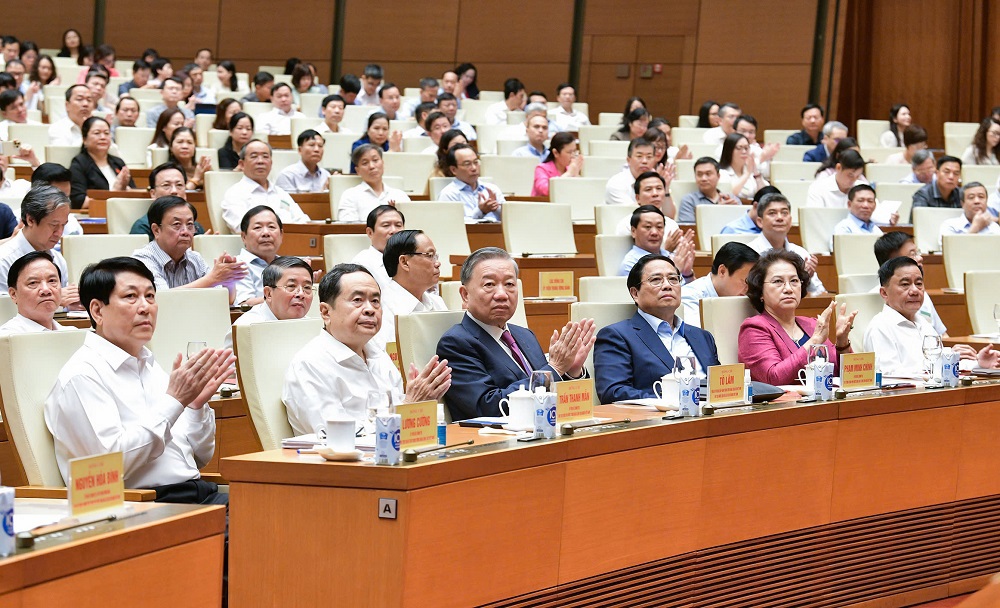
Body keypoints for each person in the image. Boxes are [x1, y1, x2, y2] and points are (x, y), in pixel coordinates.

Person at [45, 256, 234, 503]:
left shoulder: (150, 367)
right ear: (97, 310)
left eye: (150, 296)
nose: (145, 307)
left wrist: (195, 407)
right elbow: (110, 466)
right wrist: (175, 401)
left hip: (197, 492)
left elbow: (200, 457)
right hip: (145, 506)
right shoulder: (83, 376)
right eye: (131, 297)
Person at [282, 263, 452, 435]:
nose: (370, 309)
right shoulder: (309, 365)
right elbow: (337, 437)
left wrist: (419, 407)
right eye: (357, 300)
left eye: (375, 301)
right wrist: (410, 407)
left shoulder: (379, 356)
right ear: (326, 312)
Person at [436, 248, 595, 420]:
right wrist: (554, 369)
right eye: (489, 284)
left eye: (509, 284)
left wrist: (571, 372)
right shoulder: (456, 343)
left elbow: (553, 396)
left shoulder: (525, 335)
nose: (502, 294)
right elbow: (488, 407)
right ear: (465, 295)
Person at [595, 253, 722, 403]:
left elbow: (718, 386)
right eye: (656, 280)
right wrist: (673, 401)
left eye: (673, 279)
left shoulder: (702, 336)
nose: (667, 285)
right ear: (635, 293)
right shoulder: (617, 336)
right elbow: (614, 393)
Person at [864, 256, 998, 377]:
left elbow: (939, 368)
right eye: (905, 284)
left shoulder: (924, 323)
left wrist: (978, 364)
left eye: (919, 283)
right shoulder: (880, 327)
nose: (915, 291)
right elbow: (891, 376)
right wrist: (945, 359)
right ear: (884, 293)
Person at [738, 249, 855, 384]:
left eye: (794, 280)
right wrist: (814, 341)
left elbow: (841, 374)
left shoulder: (811, 324)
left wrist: (842, 343)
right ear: (760, 292)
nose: (788, 288)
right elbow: (773, 378)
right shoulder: (754, 328)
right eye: (777, 281)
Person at [132, 196, 246, 302]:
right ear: (156, 230)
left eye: (190, 224)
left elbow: (226, 301)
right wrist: (213, 279)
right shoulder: (142, 259)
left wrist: (228, 280)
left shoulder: (195, 258)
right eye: (177, 224)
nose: (185, 232)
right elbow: (160, 298)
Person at [0, 186, 75, 306]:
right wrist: (55, 300)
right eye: (54, 225)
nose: (59, 233)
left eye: (63, 225)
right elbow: (5, 312)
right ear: (30, 220)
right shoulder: (3, 260)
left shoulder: (58, 259)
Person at [373, 229, 447, 347]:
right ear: (405, 262)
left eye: (436, 256)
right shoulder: (380, 309)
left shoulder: (437, 302)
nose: (437, 263)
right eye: (430, 255)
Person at [224, 256, 313, 350]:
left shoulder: (312, 327)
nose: (301, 294)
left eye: (307, 287)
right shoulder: (247, 328)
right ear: (268, 293)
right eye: (291, 286)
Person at [221, 139, 310, 232]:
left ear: (271, 163)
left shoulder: (280, 192)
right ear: (242, 164)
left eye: (265, 156)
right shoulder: (235, 194)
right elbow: (242, 229)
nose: (260, 161)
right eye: (254, 156)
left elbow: (303, 221)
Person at [748, 193, 826, 294]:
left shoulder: (801, 253)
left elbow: (820, 293)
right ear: (760, 221)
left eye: (784, 213)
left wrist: (807, 278)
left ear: (790, 220)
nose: (780, 218)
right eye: (772, 213)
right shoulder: (750, 253)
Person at [873, 231, 948, 336]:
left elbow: (942, 335)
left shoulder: (920, 293)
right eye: (913, 254)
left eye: (918, 252)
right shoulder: (876, 299)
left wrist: (952, 351)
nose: (920, 258)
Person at [680, 242, 760, 327]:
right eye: (746, 282)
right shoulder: (690, 296)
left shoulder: (749, 298)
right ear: (722, 271)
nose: (749, 289)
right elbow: (697, 337)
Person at [69, 117, 134, 209]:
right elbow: (79, 202)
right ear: (84, 139)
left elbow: (134, 193)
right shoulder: (79, 164)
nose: (103, 137)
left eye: (106, 133)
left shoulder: (118, 162)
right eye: (97, 133)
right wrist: (114, 192)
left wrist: (126, 189)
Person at [129, 163, 207, 239]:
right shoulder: (142, 227)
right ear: (153, 193)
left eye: (179, 185)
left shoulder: (196, 227)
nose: (174, 191)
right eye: (166, 185)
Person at [338, 144, 410, 221]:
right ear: (357, 170)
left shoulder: (399, 195)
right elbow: (348, 228)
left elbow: (412, 224)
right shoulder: (350, 195)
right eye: (365, 163)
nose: (372, 166)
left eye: (375, 160)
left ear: (382, 163)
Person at [618, 204, 693, 277]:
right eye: (648, 227)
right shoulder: (630, 265)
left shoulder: (671, 257)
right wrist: (675, 271)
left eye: (659, 227)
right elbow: (654, 289)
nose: (654, 232)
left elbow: (691, 289)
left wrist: (688, 274)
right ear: (634, 231)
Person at [0, 251, 66, 334]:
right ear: (13, 294)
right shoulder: (6, 338)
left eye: (52, 281)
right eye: (33, 283)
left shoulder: (74, 335)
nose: (46, 290)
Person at [439, 144, 504, 222]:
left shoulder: (492, 189)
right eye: (467, 164)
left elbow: (510, 218)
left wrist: (496, 208)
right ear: (453, 170)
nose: (474, 168)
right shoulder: (448, 194)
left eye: (476, 162)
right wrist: (481, 211)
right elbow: (454, 225)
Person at [234, 206, 284, 306]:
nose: (266, 233)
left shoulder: (288, 266)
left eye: (271, 227)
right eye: (257, 228)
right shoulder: (237, 266)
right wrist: (285, 296)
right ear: (244, 237)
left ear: (281, 234)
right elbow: (245, 304)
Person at [351, 205, 404, 292]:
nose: (394, 231)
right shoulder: (361, 264)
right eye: (386, 225)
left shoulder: (413, 258)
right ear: (370, 232)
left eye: (398, 225)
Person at [605, 138, 670, 207]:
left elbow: (669, 215)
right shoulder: (616, 183)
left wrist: (665, 188)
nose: (644, 161)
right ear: (628, 160)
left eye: (649, 157)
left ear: (654, 160)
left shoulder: (656, 181)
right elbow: (632, 213)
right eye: (639, 156)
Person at [676, 157, 741, 223]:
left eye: (708, 174)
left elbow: (742, 225)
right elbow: (689, 229)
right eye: (699, 174)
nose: (703, 178)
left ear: (718, 176)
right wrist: (718, 211)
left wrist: (735, 210)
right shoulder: (689, 200)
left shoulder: (731, 200)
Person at [938, 181, 1000, 248]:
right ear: (962, 203)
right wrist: (975, 227)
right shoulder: (950, 226)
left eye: (981, 197)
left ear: (986, 201)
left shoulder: (994, 228)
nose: (977, 201)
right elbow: (949, 253)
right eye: (971, 197)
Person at [831, 184, 885, 249]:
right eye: (860, 200)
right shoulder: (843, 229)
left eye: (870, 201)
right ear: (849, 204)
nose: (866, 205)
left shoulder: (877, 230)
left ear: (875, 205)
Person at [531, 132, 582, 197]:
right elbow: (546, 190)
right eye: (569, 152)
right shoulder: (541, 169)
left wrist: (576, 176)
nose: (573, 156)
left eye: (574, 151)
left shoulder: (570, 168)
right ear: (556, 153)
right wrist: (569, 174)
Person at [719, 132, 768, 198]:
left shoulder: (750, 170)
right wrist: (746, 174)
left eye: (746, 148)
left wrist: (756, 174)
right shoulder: (722, 173)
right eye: (739, 148)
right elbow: (729, 195)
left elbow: (765, 194)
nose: (744, 151)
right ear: (729, 150)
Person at [166, 127, 210, 191]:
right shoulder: (166, 171)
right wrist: (196, 179)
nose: (185, 146)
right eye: (180, 142)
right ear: (171, 147)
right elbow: (177, 194)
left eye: (189, 142)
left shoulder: (202, 168)